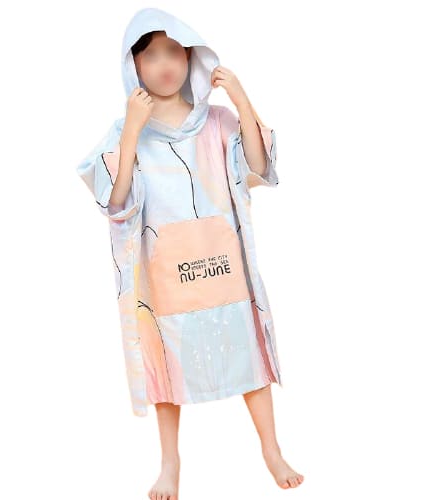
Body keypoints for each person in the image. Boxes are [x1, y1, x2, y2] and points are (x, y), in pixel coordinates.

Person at [76, 7, 304, 498]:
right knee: (167, 364)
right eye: (151, 55)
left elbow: (259, 166)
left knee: (247, 350)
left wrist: (240, 97)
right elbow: (116, 203)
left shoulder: (216, 121)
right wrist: (132, 130)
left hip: (223, 262)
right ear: (133, 65)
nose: (165, 65)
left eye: (174, 52)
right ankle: (170, 462)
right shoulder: (125, 130)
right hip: (166, 272)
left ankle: (271, 449)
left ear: (191, 57)